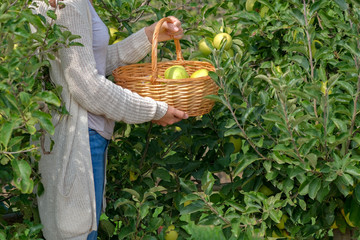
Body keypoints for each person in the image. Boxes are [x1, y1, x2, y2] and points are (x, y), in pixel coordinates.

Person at [31, 0, 188, 239]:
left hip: (69, 135)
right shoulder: (71, 3)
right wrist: (154, 110)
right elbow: (87, 86)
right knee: (77, 232)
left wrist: (148, 36)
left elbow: (89, 63)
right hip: (80, 140)